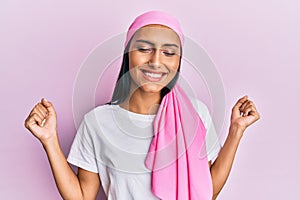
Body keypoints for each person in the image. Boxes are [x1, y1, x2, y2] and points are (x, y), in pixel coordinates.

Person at [24, 11, 260, 200]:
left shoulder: (195, 114)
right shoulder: (97, 122)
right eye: (144, 49)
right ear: (128, 54)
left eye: (169, 52)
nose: (156, 62)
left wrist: (236, 131)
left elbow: (208, 192)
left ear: (178, 61)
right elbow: (83, 196)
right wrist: (49, 141)